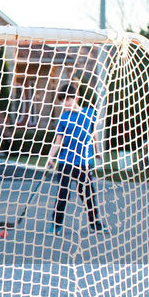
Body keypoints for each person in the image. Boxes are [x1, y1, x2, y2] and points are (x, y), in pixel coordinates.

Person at [48, 82, 107, 234]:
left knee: (88, 194)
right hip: (66, 161)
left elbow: (93, 135)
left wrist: (97, 151)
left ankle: (95, 223)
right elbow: (58, 140)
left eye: (68, 99)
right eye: (63, 100)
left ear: (76, 98)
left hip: (84, 161)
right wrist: (50, 157)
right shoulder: (63, 118)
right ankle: (56, 224)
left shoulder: (89, 113)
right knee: (63, 194)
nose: (66, 103)